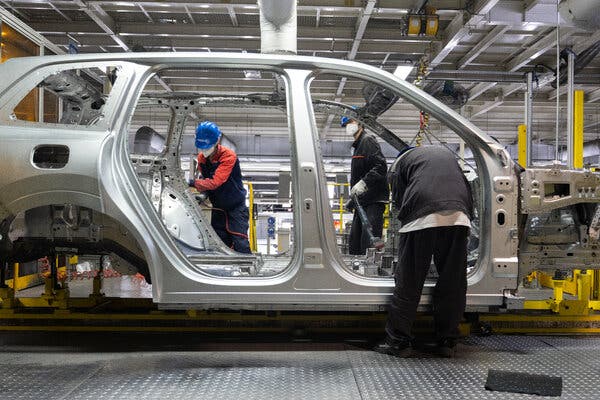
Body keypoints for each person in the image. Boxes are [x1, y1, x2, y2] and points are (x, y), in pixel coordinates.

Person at [374, 145, 473, 358]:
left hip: (421, 215)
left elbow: (399, 202)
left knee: (409, 279)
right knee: (453, 281)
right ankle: (447, 340)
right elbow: (465, 187)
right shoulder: (446, 155)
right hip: (459, 214)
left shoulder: (400, 165)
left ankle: (398, 342)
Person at [190, 121, 251, 254]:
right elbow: (206, 181)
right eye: (202, 147)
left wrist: (192, 183)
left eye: (207, 147)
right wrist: (201, 189)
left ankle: (247, 273)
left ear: (217, 141)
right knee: (219, 245)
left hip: (236, 208)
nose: (204, 151)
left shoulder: (229, 157)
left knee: (240, 242)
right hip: (218, 208)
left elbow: (215, 182)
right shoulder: (202, 158)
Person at [341, 115, 389, 255]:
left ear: (360, 123)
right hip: (362, 202)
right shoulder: (357, 146)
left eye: (351, 122)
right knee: (355, 244)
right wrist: (352, 201)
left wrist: (363, 183)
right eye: (346, 124)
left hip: (373, 202)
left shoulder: (367, 141)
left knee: (367, 245)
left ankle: (368, 274)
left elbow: (380, 166)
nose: (349, 126)